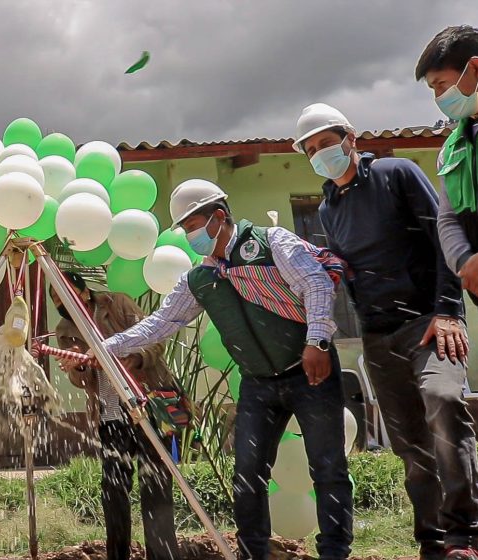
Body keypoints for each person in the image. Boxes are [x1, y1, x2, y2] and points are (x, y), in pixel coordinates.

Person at [90, 180, 353, 560]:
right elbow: (161, 323)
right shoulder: (200, 278)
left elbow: (314, 282)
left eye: (192, 224)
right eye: (184, 229)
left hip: (310, 370)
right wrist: (104, 348)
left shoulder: (271, 243)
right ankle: (252, 554)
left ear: (218, 217)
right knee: (247, 477)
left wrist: (317, 342)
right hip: (258, 384)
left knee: (328, 468)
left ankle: (334, 552)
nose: (189, 234)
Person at [293, 103, 478, 560]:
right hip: (378, 337)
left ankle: (465, 535)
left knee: (445, 401)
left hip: (429, 323)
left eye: (326, 143)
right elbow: (348, 270)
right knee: (411, 445)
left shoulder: (396, 174)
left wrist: (449, 310)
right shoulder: (327, 207)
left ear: (350, 138)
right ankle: (432, 542)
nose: (320, 154)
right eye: (311, 150)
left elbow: (443, 241)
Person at [51, 271, 181, 560]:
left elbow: (155, 339)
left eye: (65, 294)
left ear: (83, 292)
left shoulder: (119, 304)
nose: (62, 302)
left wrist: (134, 359)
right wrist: (79, 365)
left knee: (156, 485)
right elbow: (80, 381)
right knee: (113, 489)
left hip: (150, 405)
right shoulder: (65, 330)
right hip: (110, 414)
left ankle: (162, 555)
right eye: (56, 299)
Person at [415, 26, 478, 301]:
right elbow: (448, 219)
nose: (439, 97)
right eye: (433, 89)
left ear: (474, 67)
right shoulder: (451, 150)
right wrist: (466, 262)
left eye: (441, 84)